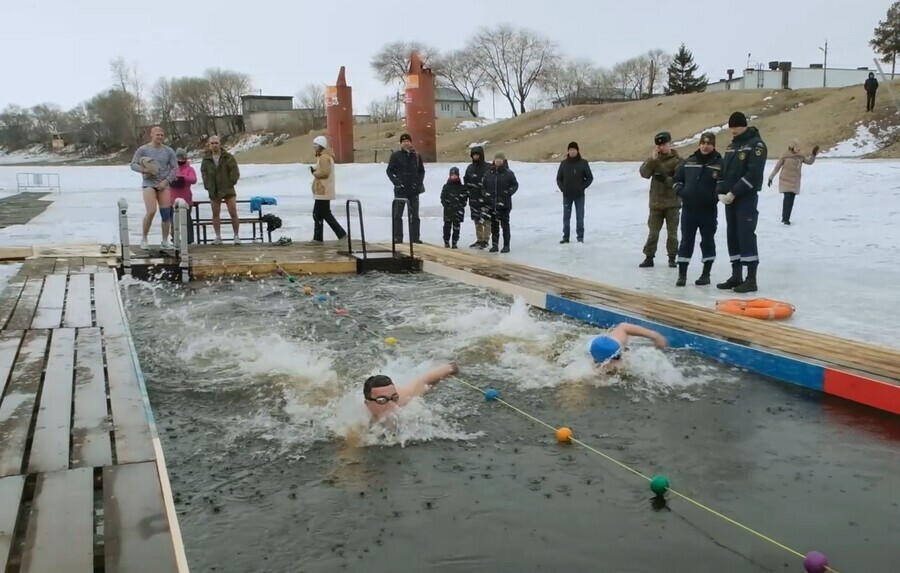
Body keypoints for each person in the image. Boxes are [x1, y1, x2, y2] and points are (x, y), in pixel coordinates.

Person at [716, 111, 767, 293]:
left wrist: (735, 192)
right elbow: (723, 171)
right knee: (733, 235)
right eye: (731, 129)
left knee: (746, 234)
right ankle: (736, 275)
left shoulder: (756, 145)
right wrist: (721, 191)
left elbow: (753, 174)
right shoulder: (731, 146)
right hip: (730, 199)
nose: (733, 132)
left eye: (735, 128)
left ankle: (751, 278)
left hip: (746, 198)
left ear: (743, 125)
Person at [672, 132, 721, 286]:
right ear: (699, 144)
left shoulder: (720, 163)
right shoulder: (689, 161)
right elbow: (676, 180)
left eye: (709, 143)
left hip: (708, 210)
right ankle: (682, 275)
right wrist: (681, 191)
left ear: (713, 145)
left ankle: (706, 274)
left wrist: (715, 196)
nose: (705, 146)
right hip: (689, 210)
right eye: (703, 143)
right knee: (686, 241)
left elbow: (724, 183)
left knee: (707, 241)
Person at [130, 126, 179, 249]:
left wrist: (166, 181)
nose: (160, 137)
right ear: (152, 135)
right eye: (157, 135)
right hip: (149, 183)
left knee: (166, 213)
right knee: (151, 211)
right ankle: (144, 238)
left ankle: (165, 241)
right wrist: (144, 170)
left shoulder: (168, 151)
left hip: (163, 183)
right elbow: (133, 164)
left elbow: (175, 168)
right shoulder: (143, 149)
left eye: (162, 135)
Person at [638, 131, 682, 268]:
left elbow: (679, 180)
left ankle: (672, 257)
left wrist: (665, 179)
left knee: (672, 233)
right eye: (659, 145)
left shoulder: (678, 161)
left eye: (663, 144)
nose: (661, 147)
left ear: (669, 144)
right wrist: (653, 160)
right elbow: (644, 173)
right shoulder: (653, 160)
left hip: (672, 203)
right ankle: (649, 256)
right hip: (656, 203)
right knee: (653, 233)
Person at [363, 363, 458, 422]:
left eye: (394, 398)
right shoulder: (360, 422)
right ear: (368, 404)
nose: (392, 405)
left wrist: (451, 368)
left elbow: (424, 381)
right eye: (382, 400)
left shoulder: (403, 399)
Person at [200, 135, 241, 245]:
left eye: (216, 143)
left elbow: (235, 171)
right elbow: (204, 173)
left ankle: (236, 235)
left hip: (228, 189)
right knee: (215, 214)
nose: (214, 145)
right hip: (214, 189)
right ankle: (218, 237)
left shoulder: (228, 157)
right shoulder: (206, 159)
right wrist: (208, 185)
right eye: (212, 143)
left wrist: (230, 182)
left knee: (233, 212)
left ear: (220, 144)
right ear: (209, 145)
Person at [767, 140, 819, 225]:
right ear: (791, 148)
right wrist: (771, 178)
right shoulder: (785, 156)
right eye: (796, 148)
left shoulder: (800, 157)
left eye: (799, 148)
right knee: (787, 198)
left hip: (795, 181)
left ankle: (786, 218)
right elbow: (777, 168)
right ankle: (785, 219)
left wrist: (813, 154)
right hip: (785, 180)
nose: (798, 149)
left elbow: (810, 162)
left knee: (791, 200)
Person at [386, 133, 425, 244]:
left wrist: (418, 183)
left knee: (415, 216)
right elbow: (389, 171)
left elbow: (421, 171)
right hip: (400, 191)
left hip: (413, 191)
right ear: (400, 143)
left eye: (408, 141)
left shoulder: (416, 156)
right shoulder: (396, 156)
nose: (406, 143)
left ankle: (415, 238)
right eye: (404, 141)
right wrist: (396, 182)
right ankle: (398, 237)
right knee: (397, 215)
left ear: (411, 143)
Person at [310, 135, 347, 241]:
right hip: (324, 190)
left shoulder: (324, 157)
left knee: (320, 213)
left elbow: (325, 173)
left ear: (321, 146)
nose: (314, 146)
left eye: (316, 144)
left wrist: (314, 172)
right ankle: (319, 237)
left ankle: (339, 234)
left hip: (323, 189)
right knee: (321, 213)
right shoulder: (324, 156)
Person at [556, 141, 594, 244]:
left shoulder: (583, 163)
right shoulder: (564, 164)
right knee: (566, 218)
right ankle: (566, 237)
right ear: (568, 151)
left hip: (579, 195)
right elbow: (559, 178)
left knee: (580, 217)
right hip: (567, 195)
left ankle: (580, 237)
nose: (572, 151)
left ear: (577, 151)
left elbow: (590, 178)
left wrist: (582, 187)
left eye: (574, 149)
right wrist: (562, 188)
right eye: (570, 150)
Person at [483, 152, 518, 253]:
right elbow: (484, 185)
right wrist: (486, 194)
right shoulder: (489, 173)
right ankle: (495, 245)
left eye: (500, 159)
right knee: (494, 225)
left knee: (505, 225)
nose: (498, 161)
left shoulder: (508, 173)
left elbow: (515, 185)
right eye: (496, 159)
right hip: (492, 204)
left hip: (504, 205)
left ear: (503, 161)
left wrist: (509, 192)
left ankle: (506, 245)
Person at [589, 323, 668, 368]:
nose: (622, 357)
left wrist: (656, 336)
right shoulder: (591, 375)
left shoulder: (615, 342)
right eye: (618, 356)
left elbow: (623, 327)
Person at [168, 147, 198, 245]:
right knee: (173, 221)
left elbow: (193, 180)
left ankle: (190, 239)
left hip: (186, 199)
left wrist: (182, 178)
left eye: (182, 158)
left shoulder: (189, 169)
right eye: (178, 158)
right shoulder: (171, 168)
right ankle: (174, 239)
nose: (180, 160)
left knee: (187, 220)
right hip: (172, 199)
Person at [464, 145, 491, 249]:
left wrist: (487, 193)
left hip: (485, 198)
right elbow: (466, 181)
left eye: (477, 155)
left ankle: (486, 239)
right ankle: (479, 239)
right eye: (474, 155)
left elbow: (490, 181)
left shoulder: (487, 167)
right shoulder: (470, 168)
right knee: (476, 219)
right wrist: (467, 193)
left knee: (486, 219)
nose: (475, 157)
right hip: (474, 198)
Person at [441, 166, 468, 248]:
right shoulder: (446, 186)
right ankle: (446, 241)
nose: (454, 176)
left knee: (456, 227)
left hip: (458, 210)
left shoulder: (461, 187)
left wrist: (461, 205)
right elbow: (443, 197)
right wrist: (446, 205)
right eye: (452, 175)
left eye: (455, 175)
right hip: (448, 210)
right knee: (447, 226)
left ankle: (454, 241)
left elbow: (464, 198)